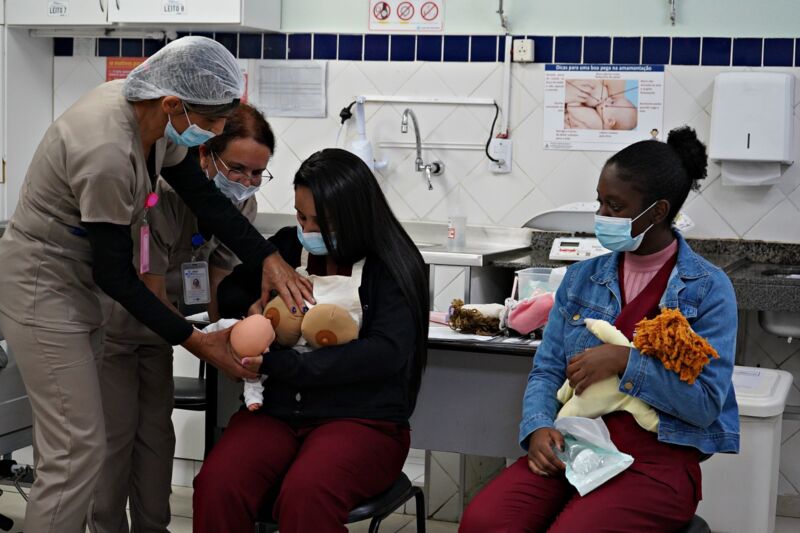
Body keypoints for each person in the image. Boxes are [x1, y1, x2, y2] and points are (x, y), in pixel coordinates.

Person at [0, 36, 310, 532]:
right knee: (76, 451)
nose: (214, 133)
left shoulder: (152, 125)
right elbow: (117, 275)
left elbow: (205, 200)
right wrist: (197, 341)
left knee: (97, 446)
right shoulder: (106, 150)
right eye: (211, 122)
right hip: (44, 284)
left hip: (83, 288)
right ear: (172, 103)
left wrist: (268, 257)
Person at [460, 126, 739, 532]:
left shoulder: (708, 289)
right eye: (600, 202)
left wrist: (626, 362)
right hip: (575, 443)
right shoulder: (581, 279)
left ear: (657, 212)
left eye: (615, 206)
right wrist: (538, 427)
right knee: (485, 522)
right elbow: (547, 370)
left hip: (658, 459)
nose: (601, 216)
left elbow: (705, 404)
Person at [192, 148, 430, 533]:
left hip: (362, 421)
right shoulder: (287, 248)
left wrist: (281, 364)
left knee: (307, 494)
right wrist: (254, 307)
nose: (308, 230)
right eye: (301, 217)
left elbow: (383, 354)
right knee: (218, 485)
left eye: (322, 222)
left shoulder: (392, 264)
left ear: (356, 217)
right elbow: (233, 288)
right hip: (276, 413)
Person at [88, 103, 274, 533]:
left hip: (162, 335)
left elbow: (219, 282)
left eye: (257, 173)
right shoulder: (161, 198)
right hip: (116, 329)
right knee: (115, 442)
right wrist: (205, 344)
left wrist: (233, 332)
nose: (246, 183)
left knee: (156, 442)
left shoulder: (241, 208)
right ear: (205, 155)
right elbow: (149, 288)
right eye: (237, 169)